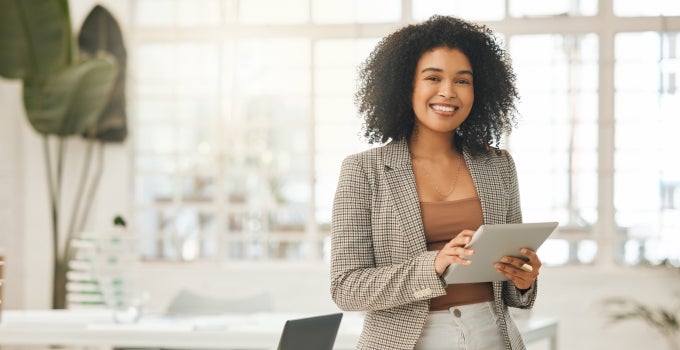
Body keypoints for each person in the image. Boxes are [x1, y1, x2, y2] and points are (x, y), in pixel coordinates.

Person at [330, 15, 541, 350]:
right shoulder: (363, 170)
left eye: (462, 80)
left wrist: (524, 279)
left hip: (493, 336)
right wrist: (436, 263)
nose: (448, 92)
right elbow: (346, 287)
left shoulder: (499, 165)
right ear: (406, 85)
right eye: (433, 78)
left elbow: (510, 283)